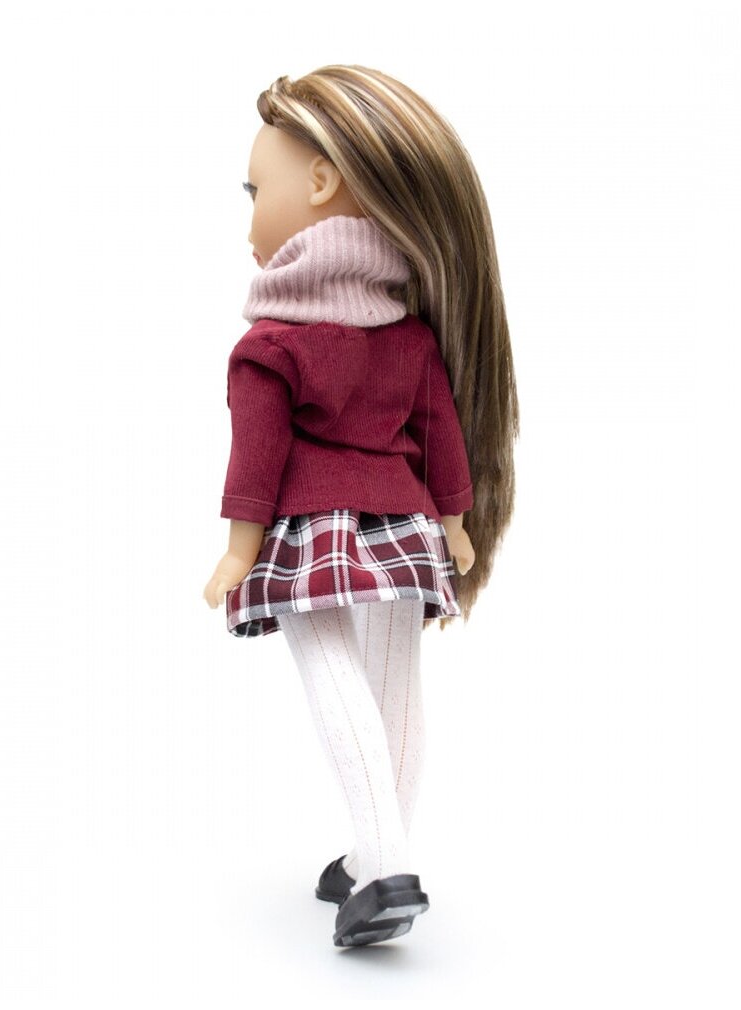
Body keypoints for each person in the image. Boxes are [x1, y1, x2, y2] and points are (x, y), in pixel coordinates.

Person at [202, 65, 519, 947]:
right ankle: (375, 856)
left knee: (331, 674)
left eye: (255, 191)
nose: (249, 222)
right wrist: (452, 523)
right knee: (393, 685)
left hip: (312, 529)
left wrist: (238, 551)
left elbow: (256, 459)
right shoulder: (410, 335)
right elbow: (441, 435)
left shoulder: (271, 344)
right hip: (406, 526)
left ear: (320, 183)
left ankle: (384, 872)